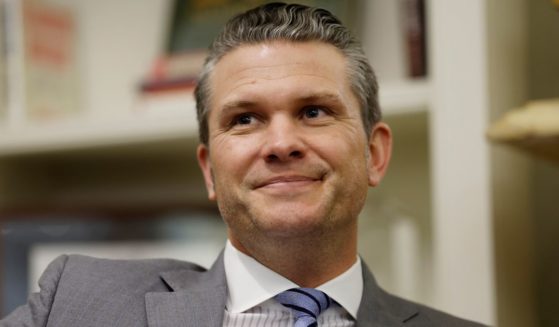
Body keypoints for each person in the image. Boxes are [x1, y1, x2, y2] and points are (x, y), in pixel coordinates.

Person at [1, 3, 486, 326]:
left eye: (314, 112)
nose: (281, 143)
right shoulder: (77, 303)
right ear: (210, 169)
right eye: (246, 118)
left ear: (374, 153)